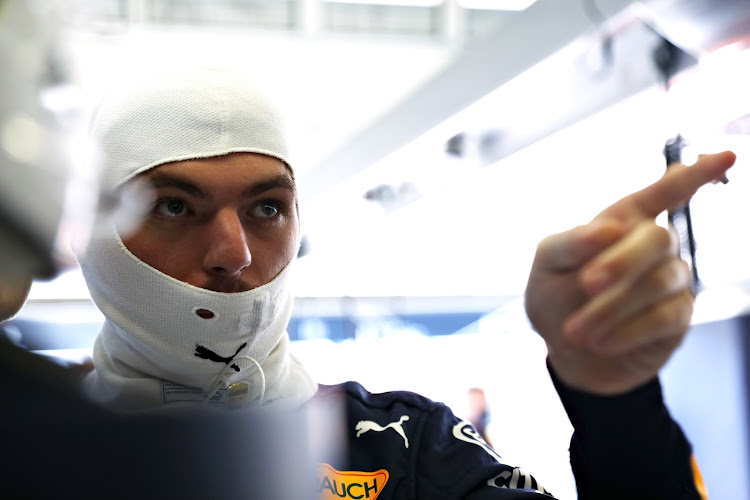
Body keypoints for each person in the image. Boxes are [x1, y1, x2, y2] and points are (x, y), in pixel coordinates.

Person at [72, 65, 733, 499]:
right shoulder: (24, 442)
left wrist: (615, 402)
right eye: (175, 206)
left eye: (266, 208)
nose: (233, 253)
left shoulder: (408, 450)